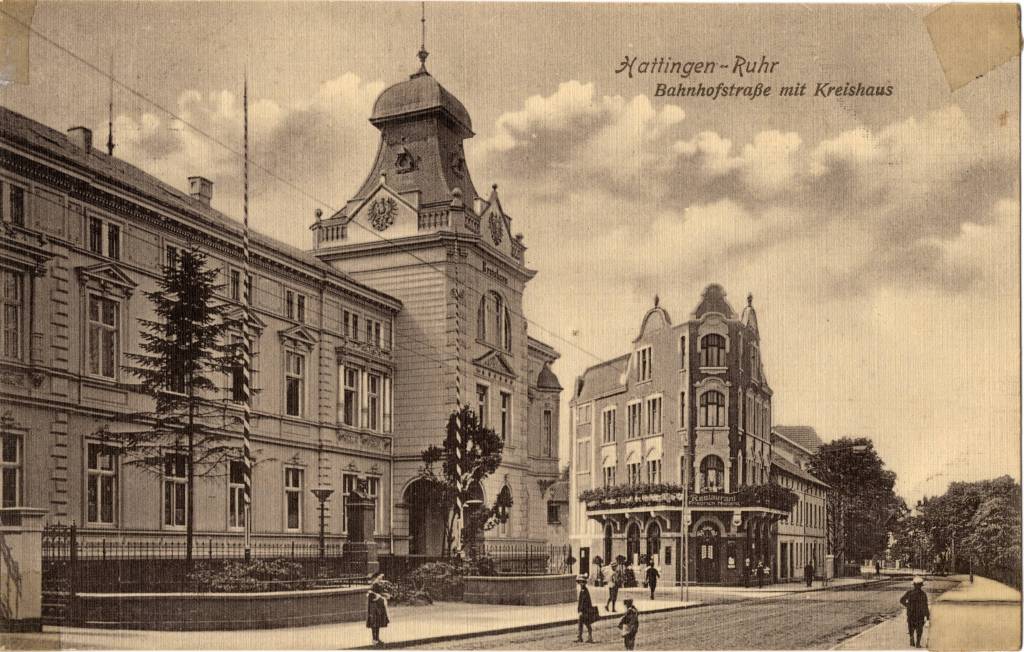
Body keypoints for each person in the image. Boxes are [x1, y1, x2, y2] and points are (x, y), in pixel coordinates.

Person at [899, 576, 930, 648]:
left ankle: (911, 638)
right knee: (919, 629)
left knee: (911, 627)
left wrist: (907, 605)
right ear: (921, 585)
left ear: (914, 585)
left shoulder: (909, 593)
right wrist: (927, 616)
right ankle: (918, 643)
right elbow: (925, 606)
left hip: (911, 613)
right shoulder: (923, 594)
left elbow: (902, 600)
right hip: (920, 614)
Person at [366, 572, 390, 646]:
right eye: (381, 576)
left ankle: (376, 639)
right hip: (374, 607)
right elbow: (371, 595)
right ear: (377, 576)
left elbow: (379, 593)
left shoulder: (377, 584)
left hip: (378, 606)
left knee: (377, 623)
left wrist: (384, 595)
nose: (382, 578)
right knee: (375, 623)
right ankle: (375, 640)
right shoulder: (374, 584)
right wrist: (380, 596)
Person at [575, 574, 596, 643]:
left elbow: (584, 602)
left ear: (584, 583)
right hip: (584, 611)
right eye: (580, 582)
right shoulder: (583, 590)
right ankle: (580, 637)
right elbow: (580, 602)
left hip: (585, 611)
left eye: (582, 582)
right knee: (582, 623)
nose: (581, 583)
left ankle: (587, 637)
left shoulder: (584, 591)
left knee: (586, 623)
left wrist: (581, 610)